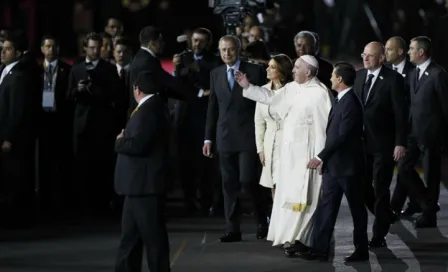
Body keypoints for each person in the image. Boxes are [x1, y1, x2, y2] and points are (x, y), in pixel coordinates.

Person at [235, 55, 332, 253]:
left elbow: (324, 129)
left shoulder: (320, 93)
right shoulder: (292, 88)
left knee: (307, 199)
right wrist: (248, 87)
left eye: (297, 67)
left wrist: (321, 156)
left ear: (309, 72)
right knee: (287, 197)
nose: (293, 71)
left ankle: (303, 240)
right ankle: (290, 237)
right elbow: (271, 98)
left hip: (308, 157)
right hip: (289, 156)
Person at [299, 62, 368, 262]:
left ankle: (361, 250)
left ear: (339, 79)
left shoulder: (351, 103)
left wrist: (321, 156)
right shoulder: (340, 100)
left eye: (332, 76)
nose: (330, 78)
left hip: (349, 168)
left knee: (357, 210)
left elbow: (342, 136)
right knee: (327, 208)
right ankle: (319, 249)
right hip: (334, 167)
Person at [203, 35, 268, 243]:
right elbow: (212, 107)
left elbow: (263, 103)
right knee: (228, 184)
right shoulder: (215, 74)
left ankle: (262, 220)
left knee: (247, 181)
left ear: (238, 50)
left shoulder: (255, 71)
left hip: (248, 137)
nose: (227, 53)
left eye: (230, 49)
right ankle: (233, 229)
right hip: (224, 138)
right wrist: (208, 139)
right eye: (223, 50)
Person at [114, 71, 171, 272]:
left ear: (136, 89)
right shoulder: (151, 108)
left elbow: (139, 145)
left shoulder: (149, 110)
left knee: (153, 240)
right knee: (130, 239)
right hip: (137, 186)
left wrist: (120, 141)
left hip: (145, 186)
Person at [398, 36, 448, 228]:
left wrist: (444, 137)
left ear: (421, 52)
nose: (409, 52)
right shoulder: (413, 73)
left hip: (432, 136)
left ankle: (429, 217)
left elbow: (446, 108)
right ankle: (428, 204)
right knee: (404, 168)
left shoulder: (438, 74)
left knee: (431, 177)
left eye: (411, 49)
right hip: (413, 134)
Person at [254, 54, 293, 199]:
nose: (267, 70)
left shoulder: (293, 91)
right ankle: (276, 219)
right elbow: (259, 122)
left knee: (286, 182)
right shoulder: (262, 90)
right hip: (269, 142)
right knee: (273, 183)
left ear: (282, 70)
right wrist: (260, 149)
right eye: (268, 66)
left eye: (272, 67)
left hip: (288, 141)